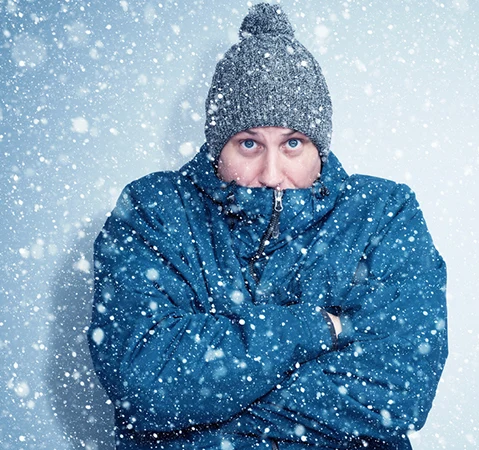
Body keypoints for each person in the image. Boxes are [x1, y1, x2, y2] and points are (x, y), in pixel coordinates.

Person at [87, 3, 448, 449]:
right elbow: (142, 384)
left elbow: (398, 391)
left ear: (320, 145)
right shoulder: (154, 210)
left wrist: (209, 412)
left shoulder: (383, 213)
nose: (272, 172)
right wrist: (313, 329)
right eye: (249, 143)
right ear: (219, 146)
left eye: (292, 143)